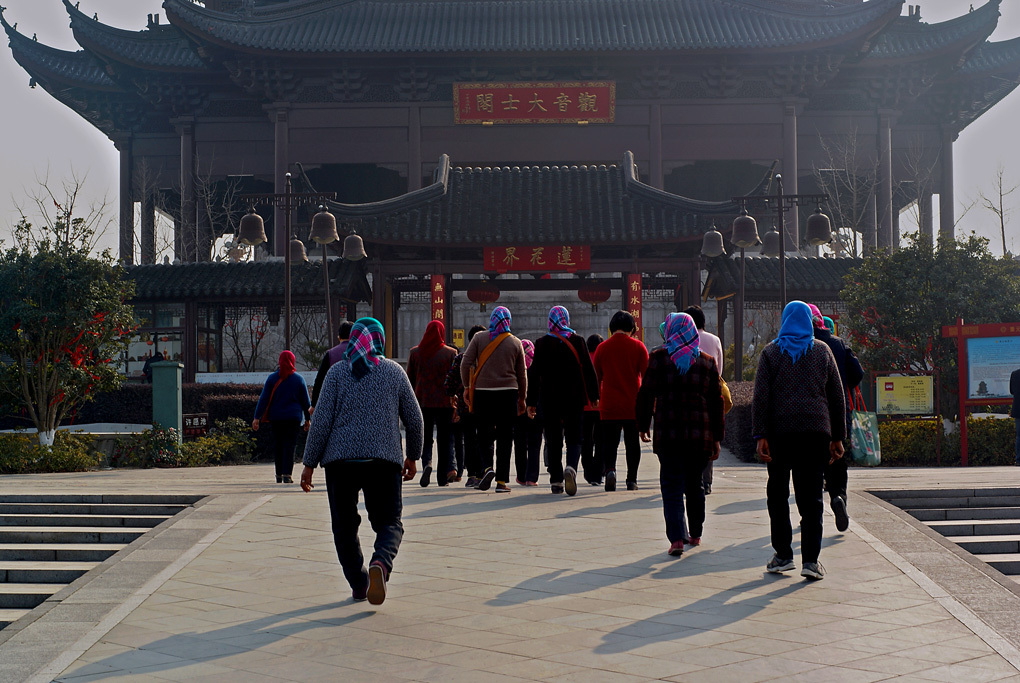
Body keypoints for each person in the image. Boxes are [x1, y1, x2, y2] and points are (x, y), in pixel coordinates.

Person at [300, 318, 423, 605]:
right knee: (390, 521)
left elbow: (320, 423)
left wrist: (308, 463)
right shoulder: (393, 372)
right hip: (384, 459)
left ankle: (359, 583)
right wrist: (413, 456)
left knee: (343, 526)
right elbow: (415, 419)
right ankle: (380, 562)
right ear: (379, 340)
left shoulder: (336, 373)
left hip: (340, 462)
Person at [753, 301, 846, 581]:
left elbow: (760, 398)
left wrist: (760, 435)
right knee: (811, 498)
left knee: (778, 495)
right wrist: (838, 437)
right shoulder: (822, 351)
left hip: (780, 434)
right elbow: (837, 397)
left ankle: (783, 556)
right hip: (815, 433)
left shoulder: (771, 353)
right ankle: (811, 561)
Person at [637, 313, 723, 557]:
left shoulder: (659, 359)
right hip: (700, 435)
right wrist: (717, 437)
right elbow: (716, 403)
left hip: (669, 434)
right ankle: (695, 533)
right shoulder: (706, 363)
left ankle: (676, 539)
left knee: (671, 485)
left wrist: (643, 425)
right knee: (695, 484)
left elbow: (646, 394)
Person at [527, 306, 599, 495]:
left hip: (549, 399)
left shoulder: (541, 344)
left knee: (553, 438)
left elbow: (534, 374)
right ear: (567, 319)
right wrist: (594, 396)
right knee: (575, 436)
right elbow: (588, 370)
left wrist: (531, 402)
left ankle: (556, 480)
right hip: (574, 398)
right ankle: (572, 468)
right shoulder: (577, 341)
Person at [808, 303, 864, 532]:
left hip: (813, 414)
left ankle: (813, 510)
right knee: (838, 458)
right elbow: (857, 373)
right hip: (840, 411)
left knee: (813, 463)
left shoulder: (801, 345)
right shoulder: (838, 344)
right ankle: (838, 496)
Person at [460, 306, 528, 492]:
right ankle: (502, 482)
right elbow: (522, 374)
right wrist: (522, 398)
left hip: (483, 392)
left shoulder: (479, 338)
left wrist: (467, 387)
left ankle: (488, 468)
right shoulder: (515, 342)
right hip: (508, 393)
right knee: (506, 437)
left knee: (484, 435)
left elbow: (466, 363)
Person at [593, 311, 649, 492]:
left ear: (611, 328)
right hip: (632, 404)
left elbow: (597, 378)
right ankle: (631, 480)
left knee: (610, 443)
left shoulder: (602, 348)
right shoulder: (639, 347)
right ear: (632, 328)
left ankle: (610, 471)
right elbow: (647, 379)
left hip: (609, 404)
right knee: (633, 443)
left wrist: (596, 399)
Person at [406, 319, 458, 487]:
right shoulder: (450, 353)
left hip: (422, 402)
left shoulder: (415, 353)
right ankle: (442, 477)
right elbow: (455, 380)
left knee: (425, 438)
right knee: (445, 439)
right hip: (445, 402)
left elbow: (409, 381)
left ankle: (427, 464)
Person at [253, 350, 312, 484]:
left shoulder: (272, 378)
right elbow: (306, 402)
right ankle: (287, 475)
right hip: (293, 418)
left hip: (276, 418)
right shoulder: (298, 379)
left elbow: (264, 399)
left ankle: (278, 475)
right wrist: (308, 419)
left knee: (278, 446)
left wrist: (257, 417)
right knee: (290, 446)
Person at [685, 306, 723, 495]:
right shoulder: (714, 340)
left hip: (687, 396)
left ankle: (689, 478)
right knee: (709, 437)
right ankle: (706, 481)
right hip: (709, 393)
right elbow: (720, 370)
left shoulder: (679, 341)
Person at [447, 324, 486, 486]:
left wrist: (452, 396)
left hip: (466, 405)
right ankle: (485, 470)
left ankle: (472, 475)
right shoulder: (489, 358)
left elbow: (449, 382)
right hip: (487, 404)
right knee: (485, 439)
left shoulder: (461, 358)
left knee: (469, 439)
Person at [513, 339, 543, 486]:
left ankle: (521, 476)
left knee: (519, 443)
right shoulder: (538, 367)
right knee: (534, 443)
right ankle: (532, 478)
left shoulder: (515, 367)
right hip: (536, 410)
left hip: (519, 410)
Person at [311, 319, 354, 406]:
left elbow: (319, 380)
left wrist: (314, 404)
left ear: (339, 337)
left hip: (335, 401)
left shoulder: (331, 354)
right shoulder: (362, 353)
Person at [581, 334, 605, 486]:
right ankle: (598, 473)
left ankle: (588, 471)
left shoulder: (582, 360)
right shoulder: (603, 358)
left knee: (586, 441)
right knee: (601, 440)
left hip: (584, 406)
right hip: (602, 405)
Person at [1011, 368, 1020, 466]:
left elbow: (1012, 390)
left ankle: (1018, 459)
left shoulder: (1015, 374)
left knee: (1019, 436)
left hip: (1018, 408)